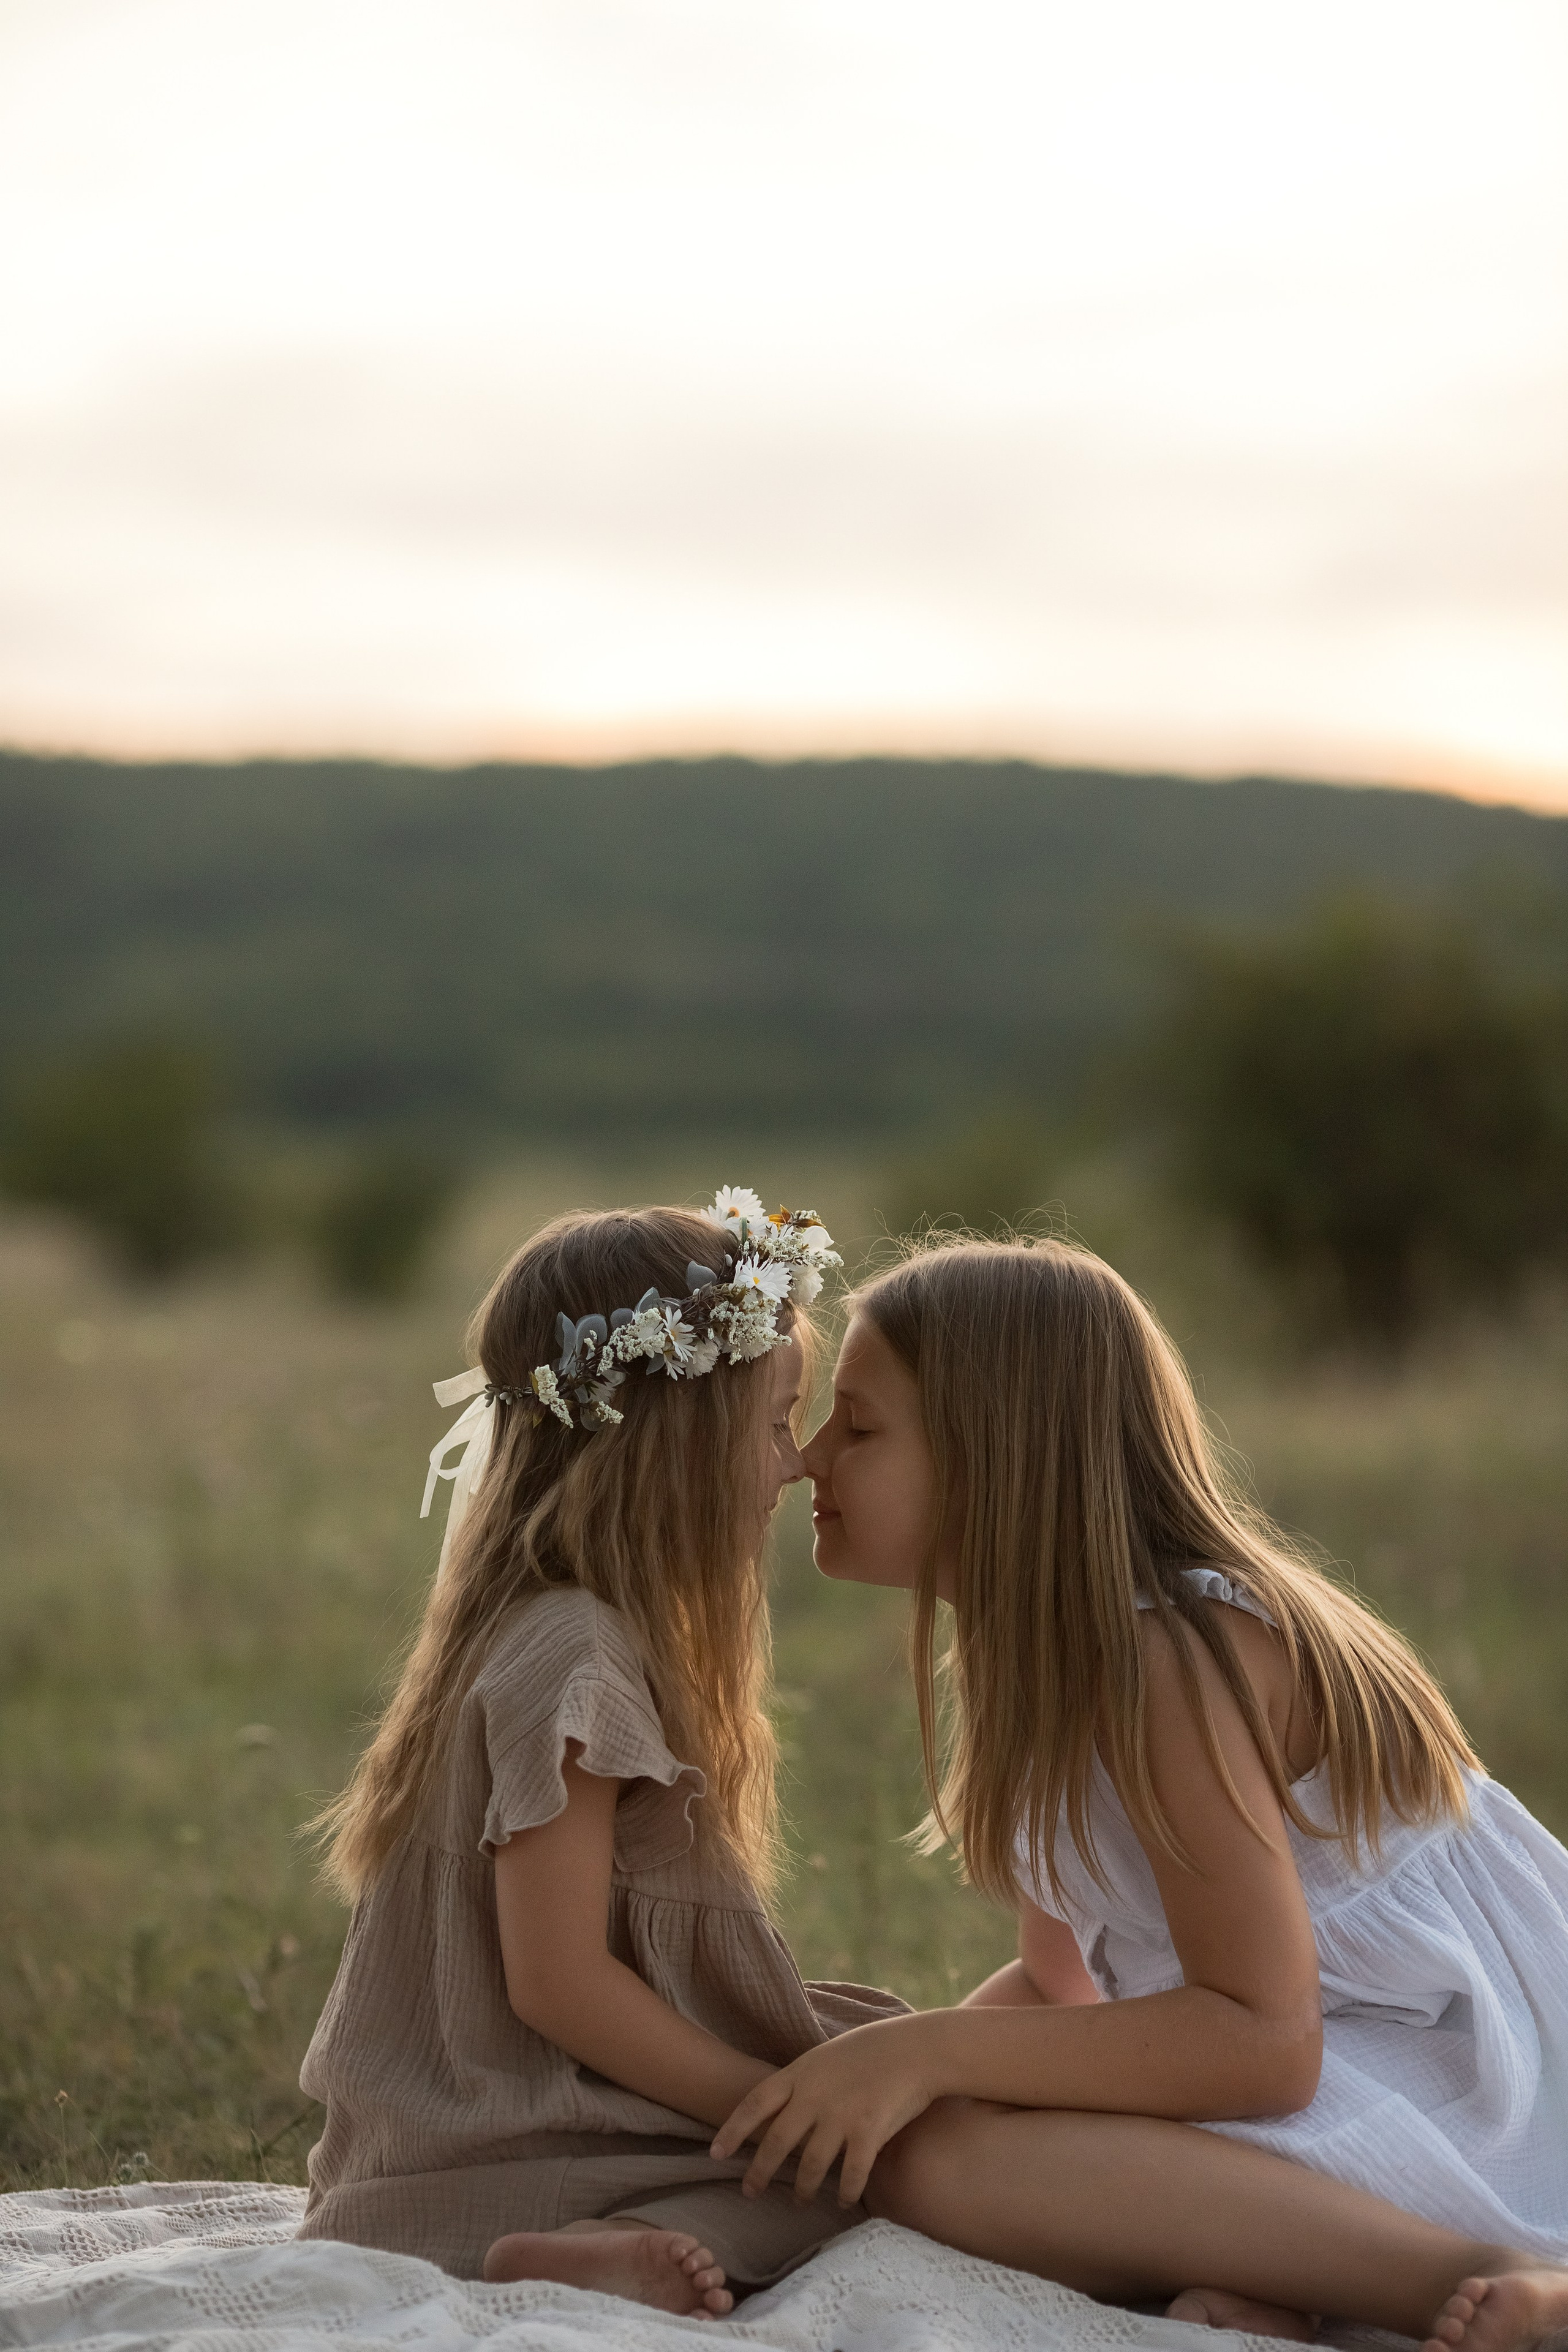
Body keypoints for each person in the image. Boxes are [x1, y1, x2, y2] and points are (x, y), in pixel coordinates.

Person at [714, 1235, 1568, 2352]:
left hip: (1463, 2078)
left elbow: (1266, 2043)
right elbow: (1057, 1979)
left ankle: (1490, 2272)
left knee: (941, 2155)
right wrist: (877, 2081)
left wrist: (916, 2059)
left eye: (860, 1427)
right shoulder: (1050, 1664)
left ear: (997, 1458)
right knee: (925, 2134)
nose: (813, 1457)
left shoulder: (1175, 1658)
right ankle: (1286, 2284)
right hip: (1329, 2060)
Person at [297, 1190, 911, 2316]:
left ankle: (608, 2228)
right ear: (673, 1439)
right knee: (877, 2174)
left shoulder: (547, 1625)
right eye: (774, 1424)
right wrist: (775, 2101)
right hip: (509, 2142)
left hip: (482, 2130)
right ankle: (579, 2241)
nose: (793, 1468)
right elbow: (560, 1983)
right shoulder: (574, 1651)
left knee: (886, 2058)